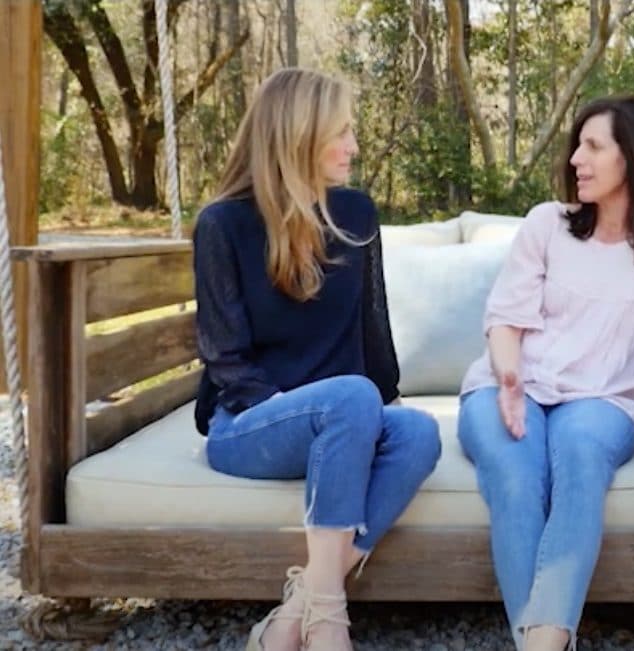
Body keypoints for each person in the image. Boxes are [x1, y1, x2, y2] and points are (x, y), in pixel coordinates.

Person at [193, 68, 441, 651]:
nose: (355, 147)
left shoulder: (355, 214)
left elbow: (371, 331)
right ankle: (329, 623)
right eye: (343, 132)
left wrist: (381, 416)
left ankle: (298, 611)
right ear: (298, 135)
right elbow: (225, 361)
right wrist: (316, 416)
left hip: (341, 415)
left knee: (418, 434)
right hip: (249, 425)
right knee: (350, 395)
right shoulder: (222, 223)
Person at [457, 95, 634, 651]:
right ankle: (545, 642)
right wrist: (509, 377)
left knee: (580, 456)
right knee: (517, 475)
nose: (576, 160)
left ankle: (540, 641)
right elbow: (504, 321)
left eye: (593, 147)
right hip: (510, 383)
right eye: (578, 146)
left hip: (604, 400)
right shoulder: (548, 224)